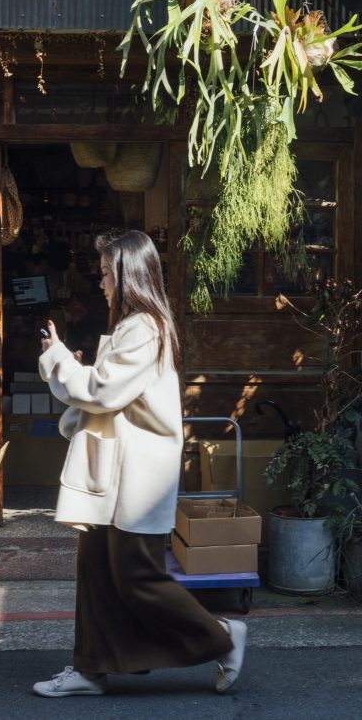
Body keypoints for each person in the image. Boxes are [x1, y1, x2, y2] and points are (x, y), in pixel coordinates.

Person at [32, 228, 246, 698]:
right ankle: (90, 669)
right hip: (117, 473)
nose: (102, 282)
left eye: (108, 273)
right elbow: (111, 395)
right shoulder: (136, 325)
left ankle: (223, 637)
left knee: (136, 576)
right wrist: (72, 366)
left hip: (134, 477)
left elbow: (102, 392)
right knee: (95, 574)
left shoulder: (143, 327)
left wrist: (58, 360)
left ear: (129, 276)